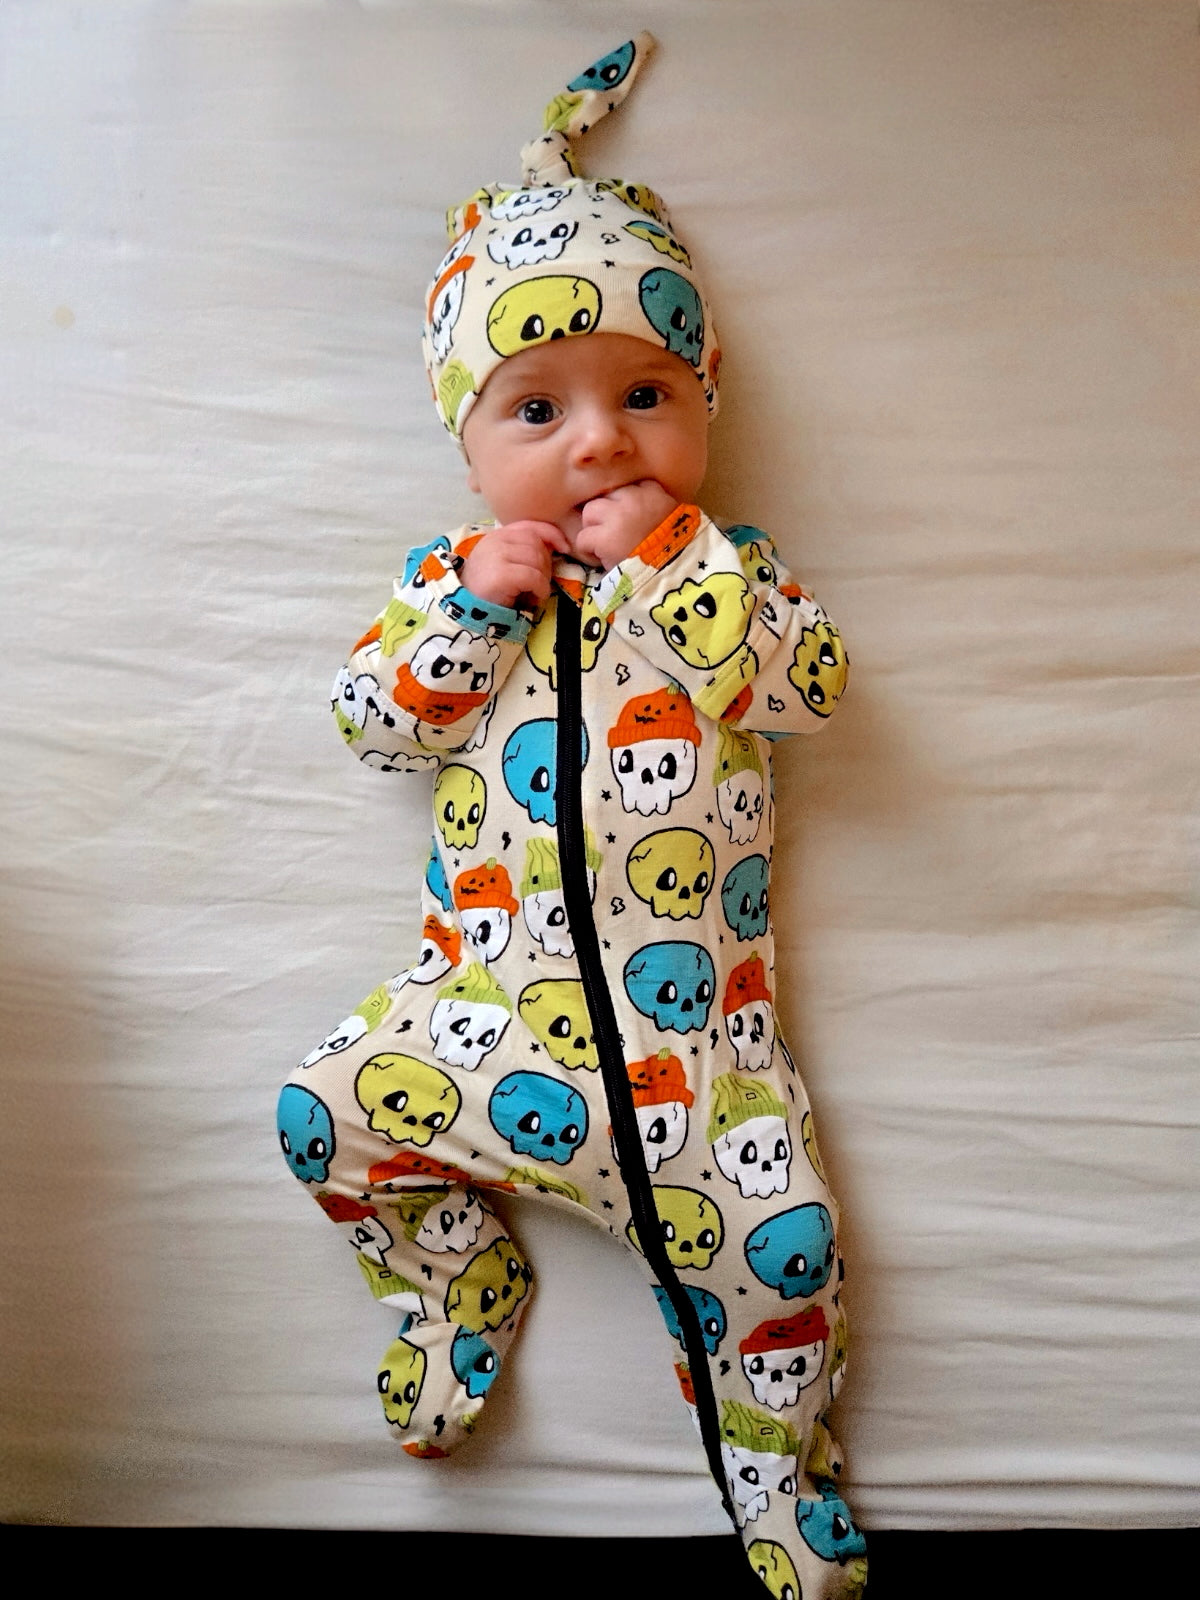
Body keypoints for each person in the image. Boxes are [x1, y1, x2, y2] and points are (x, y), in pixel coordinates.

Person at [277, 34, 864, 1598]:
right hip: (480, 1028)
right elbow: (369, 730)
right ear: (468, 450)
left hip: (701, 1072)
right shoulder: (448, 587)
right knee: (319, 1110)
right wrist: (466, 613)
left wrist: (678, 565)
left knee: (783, 1255)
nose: (599, 440)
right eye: (536, 408)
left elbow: (809, 689)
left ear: (703, 409)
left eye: (644, 396)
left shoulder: (726, 572)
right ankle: (459, 1286)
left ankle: (772, 1470)